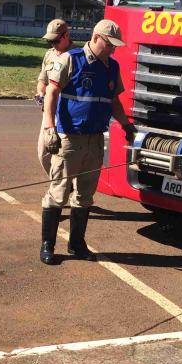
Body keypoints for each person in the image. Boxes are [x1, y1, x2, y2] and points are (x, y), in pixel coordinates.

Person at [39, 19, 137, 265]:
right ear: (95, 38)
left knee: (85, 194)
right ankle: (48, 245)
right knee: (58, 192)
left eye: (115, 45)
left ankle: (77, 244)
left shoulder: (112, 67)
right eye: (109, 44)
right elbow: (51, 92)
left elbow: (114, 102)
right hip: (70, 138)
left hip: (95, 140)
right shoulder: (71, 59)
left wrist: (126, 125)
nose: (112, 49)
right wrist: (50, 128)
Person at [35, 19, 74, 176]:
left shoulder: (76, 56)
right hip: (49, 111)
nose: (53, 45)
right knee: (44, 152)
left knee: (65, 155)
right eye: (50, 41)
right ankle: (57, 183)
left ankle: (62, 185)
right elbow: (42, 80)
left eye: (56, 41)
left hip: (67, 112)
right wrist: (40, 92)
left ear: (66, 36)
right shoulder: (49, 54)